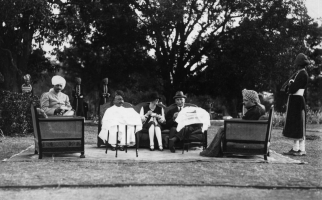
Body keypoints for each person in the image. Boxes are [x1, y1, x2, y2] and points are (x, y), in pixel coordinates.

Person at [200, 89, 265, 157]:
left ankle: (212, 151)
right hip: (249, 133)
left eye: (246, 100)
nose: (243, 102)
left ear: (253, 101)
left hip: (245, 134)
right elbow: (245, 122)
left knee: (222, 129)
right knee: (223, 128)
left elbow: (244, 124)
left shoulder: (253, 111)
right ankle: (213, 150)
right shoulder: (258, 109)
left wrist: (231, 122)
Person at [282, 53, 310, 156]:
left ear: (299, 64)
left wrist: (290, 83)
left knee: (298, 125)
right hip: (296, 100)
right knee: (296, 125)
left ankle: (300, 149)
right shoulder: (301, 73)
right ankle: (297, 148)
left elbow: (293, 89)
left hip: (297, 100)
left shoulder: (302, 74)